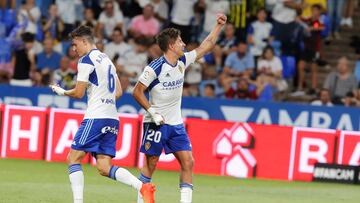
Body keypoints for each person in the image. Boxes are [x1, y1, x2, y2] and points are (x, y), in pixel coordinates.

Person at [49, 25, 155, 203]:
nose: (73, 49)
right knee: (104, 167)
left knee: (73, 158)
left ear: (84, 41)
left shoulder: (86, 60)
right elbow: (119, 92)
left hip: (96, 116)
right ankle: (142, 187)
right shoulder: (107, 60)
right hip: (112, 118)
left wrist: (62, 91)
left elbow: (79, 93)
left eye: (75, 45)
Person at [132, 13, 227, 203]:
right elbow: (137, 92)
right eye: (180, 41)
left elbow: (206, 46)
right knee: (151, 164)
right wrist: (152, 112)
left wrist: (218, 26)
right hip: (155, 124)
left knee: (188, 162)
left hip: (175, 124)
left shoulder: (182, 61)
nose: (184, 44)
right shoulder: (155, 68)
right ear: (171, 46)